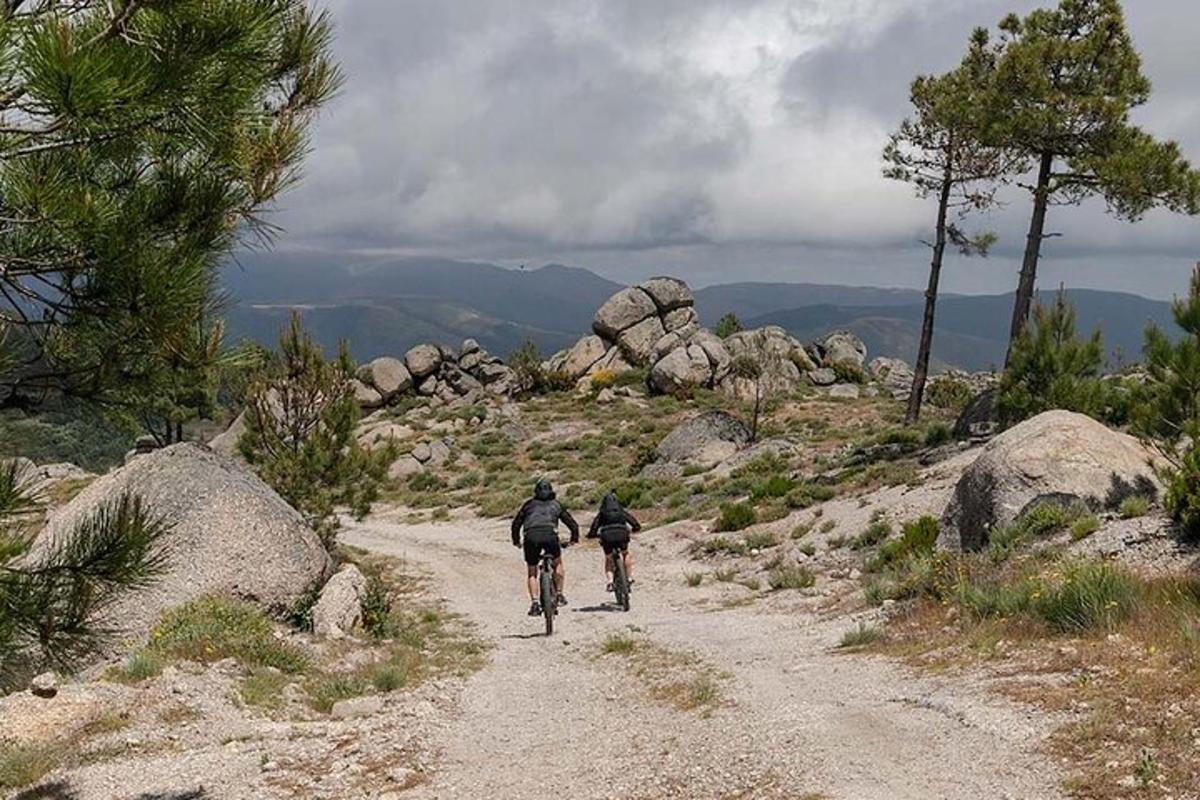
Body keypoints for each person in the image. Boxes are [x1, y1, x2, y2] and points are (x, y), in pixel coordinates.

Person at [511, 479, 579, 616]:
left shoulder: (528, 505)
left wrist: (516, 541)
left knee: (532, 571)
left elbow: (516, 524)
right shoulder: (556, 505)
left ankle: (535, 603)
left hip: (531, 537)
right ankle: (559, 594)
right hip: (550, 535)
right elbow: (572, 523)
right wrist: (573, 539)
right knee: (557, 562)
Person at [587, 490, 641, 593]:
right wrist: (635, 528)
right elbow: (633, 521)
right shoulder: (621, 511)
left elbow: (594, 527)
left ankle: (610, 582)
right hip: (622, 533)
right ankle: (629, 577)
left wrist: (591, 535)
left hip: (607, 536)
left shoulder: (602, 513)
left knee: (609, 558)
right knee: (625, 553)